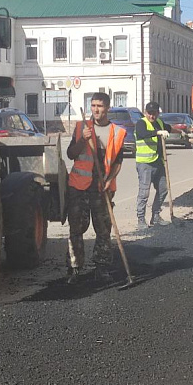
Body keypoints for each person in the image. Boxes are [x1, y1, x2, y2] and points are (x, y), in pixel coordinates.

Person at [65, 92, 127, 284]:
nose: (96, 109)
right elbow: (70, 154)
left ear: (107, 107)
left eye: (99, 106)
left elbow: (117, 161)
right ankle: (75, 269)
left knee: (103, 230)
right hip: (79, 187)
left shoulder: (116, 132)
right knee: (76, 228)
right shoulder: (81, 128)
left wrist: (109, 180)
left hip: (101, 188)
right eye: (93, 106)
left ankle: (102, 268)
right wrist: (83, 140)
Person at [134, 101, 173, 230]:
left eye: (154, 113)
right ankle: (141, 220)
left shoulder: (160, 123)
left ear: (158, 113)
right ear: (145, 113)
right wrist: (158, 133)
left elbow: (169, 128)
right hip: (145, 164)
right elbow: (142, 134)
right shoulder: (141, 123)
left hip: (158, 162)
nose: (152, 116)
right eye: (149, 113)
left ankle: (155, 216)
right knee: (144, 193)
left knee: (163, 189)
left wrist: (184, 131)